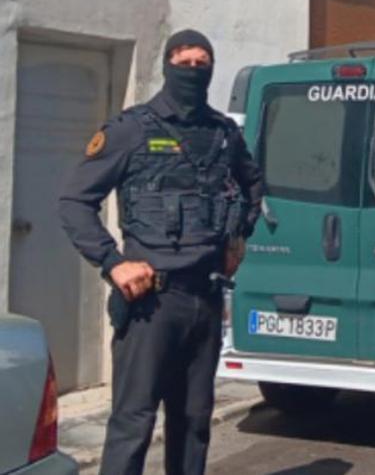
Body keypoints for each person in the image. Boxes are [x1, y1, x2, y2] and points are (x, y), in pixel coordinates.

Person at [58, 30, 264, 475]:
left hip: (206, 298)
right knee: (134, 422)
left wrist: (238, 237)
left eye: (202, 62)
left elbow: (253, 185)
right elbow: (74, 202)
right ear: (168, 66)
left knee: (193, 422)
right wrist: (113, 263)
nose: (194, 69)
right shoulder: (131, 129)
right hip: (151, 301)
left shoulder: (223, 133)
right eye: (184, 61)